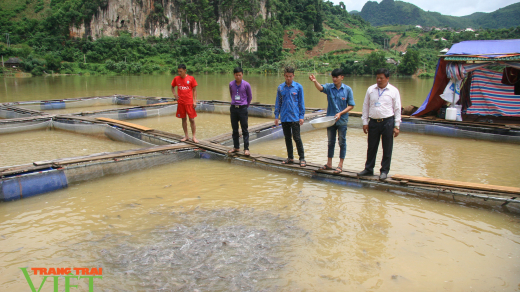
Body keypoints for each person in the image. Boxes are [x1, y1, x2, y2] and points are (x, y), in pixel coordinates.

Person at [357, 68, 401, 180]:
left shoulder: (393, 91)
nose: (379, 80)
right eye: (377, 77)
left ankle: (384, 171)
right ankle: (368, 169)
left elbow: (397, 109)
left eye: (381, 78)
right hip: (373, 122)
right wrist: (365, 122)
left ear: (387, 78)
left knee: (387, 147)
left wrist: (396, 126)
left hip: (387, 121)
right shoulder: (371, 90)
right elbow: (365, 106)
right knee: (371, 147)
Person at [309, 69, 355, 174]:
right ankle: (329, 164)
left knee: (342, 142)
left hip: (342, 120)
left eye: (336, 77)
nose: (334, 79)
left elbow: (351, 105)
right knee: (330, 142)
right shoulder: (329, 87)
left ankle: (340, 165)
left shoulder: (347, 90)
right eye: (333, 77)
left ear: (342, 77)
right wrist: (315, 81)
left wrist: (340, 113)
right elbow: (321, 88)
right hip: (330, 120)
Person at [275, 67, 306, 167]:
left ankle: (302, 158)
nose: (288, 78)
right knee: (287, 138)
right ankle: (290, 157)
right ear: (284, 76)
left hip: (295, 117)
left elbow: (301, 103)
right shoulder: (280, 88)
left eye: (290, 76)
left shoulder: (298, 87)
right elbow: (278, 103)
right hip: (284, 117)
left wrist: (301, 116)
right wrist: (276, 116)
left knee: (297, 138)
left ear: (293, 76)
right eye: (287, 76)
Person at [227, 67, 252, 156]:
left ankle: (246, 148)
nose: (238, 77)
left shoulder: (246, 85)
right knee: (235, 129)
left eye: (239, 75)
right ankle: (236, 147)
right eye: (236, 75)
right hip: (233, 108)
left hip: (243, 108)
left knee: (244, 129)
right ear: (234, 75)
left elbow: (250, 97)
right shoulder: (231, 84)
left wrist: (245, 106)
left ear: (242, 75)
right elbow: (231, 94)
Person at [171, 64, 199, 143]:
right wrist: (175, 94)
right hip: (181, 102)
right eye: (178, 71)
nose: (179, 73)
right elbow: (172, 87)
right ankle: (186, 136)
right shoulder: (176, 79)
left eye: (181, 71)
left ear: (185, 70)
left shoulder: (191, 78)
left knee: (192, 119)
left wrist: (194, 101)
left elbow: (194, 90)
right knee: (183, 119)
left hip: (189, 102)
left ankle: (194, 137)